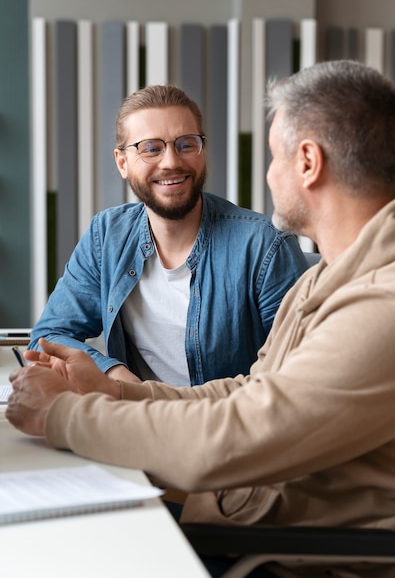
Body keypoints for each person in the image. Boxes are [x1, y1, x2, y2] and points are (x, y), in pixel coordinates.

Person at [7, 59, 395, 578]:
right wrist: (115, 389)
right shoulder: (333, 274)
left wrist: (59, 414)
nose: (269, 176)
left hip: (309, 566)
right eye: (150, 147)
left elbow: (234, 437)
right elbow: (254, 392)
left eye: (273, 157)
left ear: (307, 163)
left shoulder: (390, 304)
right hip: (256, 518)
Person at [28, 84, 307, 387]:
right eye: (151, 148)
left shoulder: (264, 247)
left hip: (225, 426)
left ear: (203, 151)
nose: (171, 161)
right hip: (134, 423)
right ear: (122, 162)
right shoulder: (106, 236)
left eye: (186, 144)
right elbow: (48, 337)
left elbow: (298, 375)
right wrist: (114, 374)